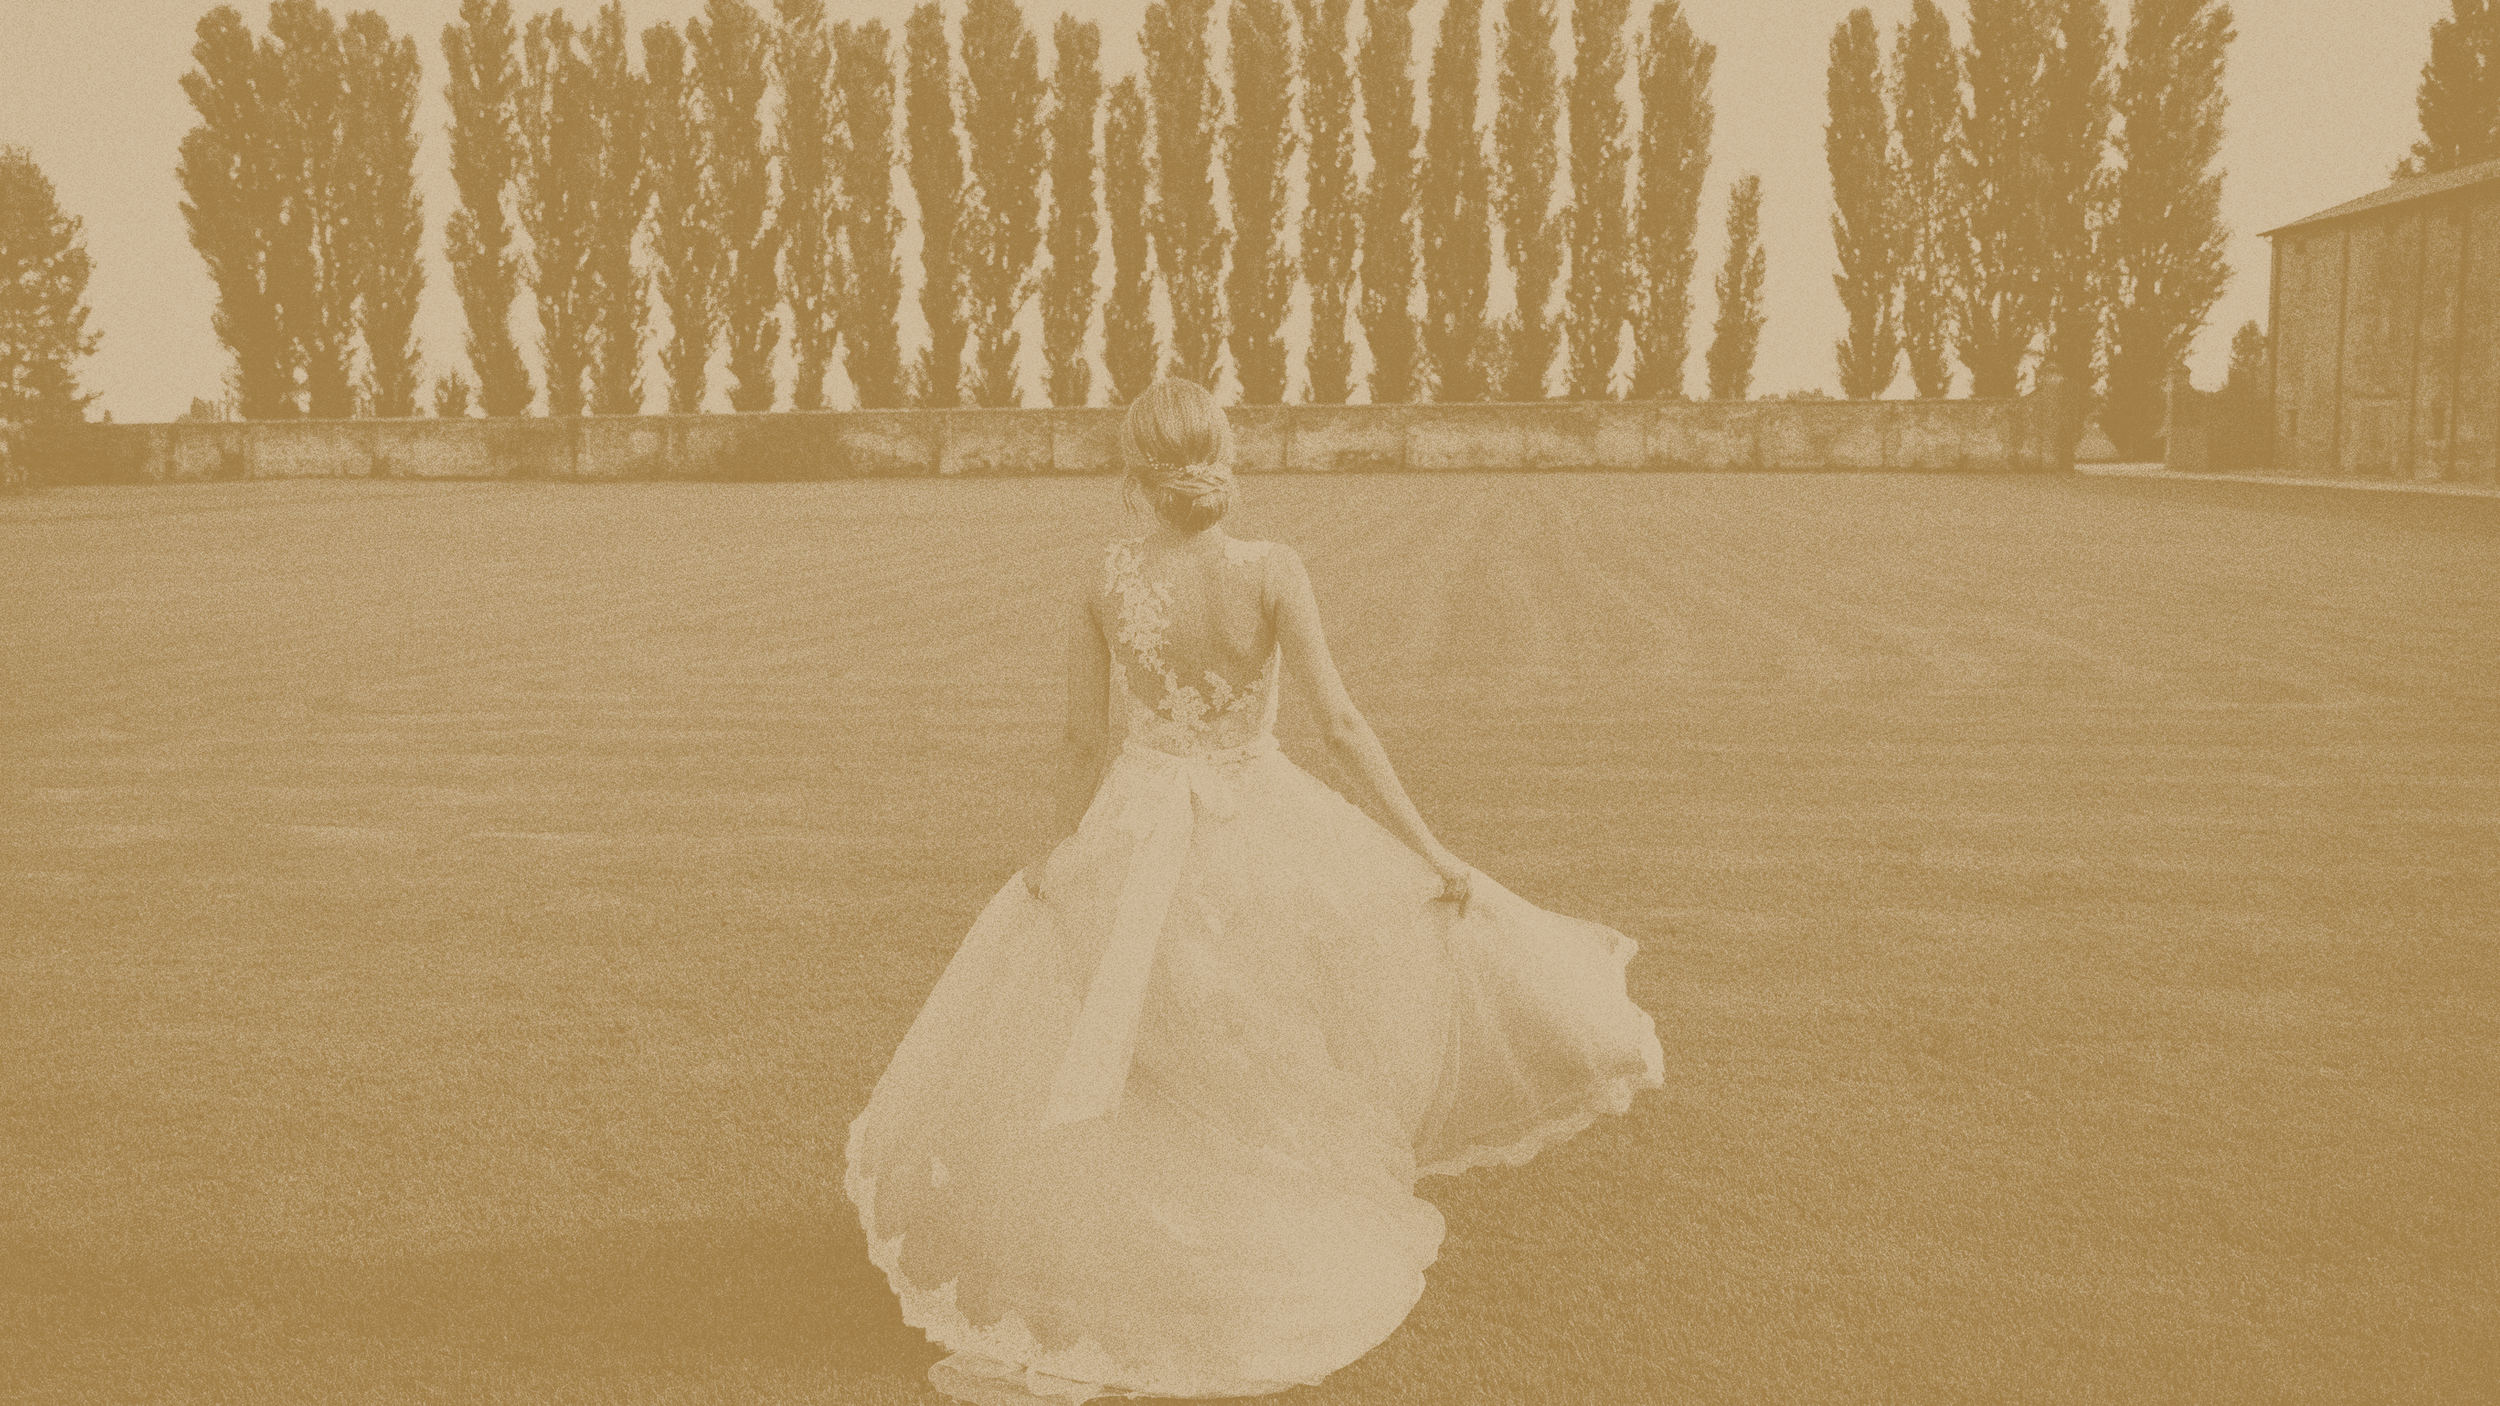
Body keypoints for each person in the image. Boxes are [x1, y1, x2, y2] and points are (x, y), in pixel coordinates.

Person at [844, 378, 1666, 1405]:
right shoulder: (1271, 569)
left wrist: (1053, 853)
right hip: (1256, 827)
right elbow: (1341, 723)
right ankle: (1238, 1241)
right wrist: (1428, 849)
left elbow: (1080, 737)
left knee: (1142, 1044)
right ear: (1221, 459)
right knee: (1253, 1041)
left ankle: (1148, 1247)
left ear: (1134, 473)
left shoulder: (1104, 578)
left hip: (1136, 830)